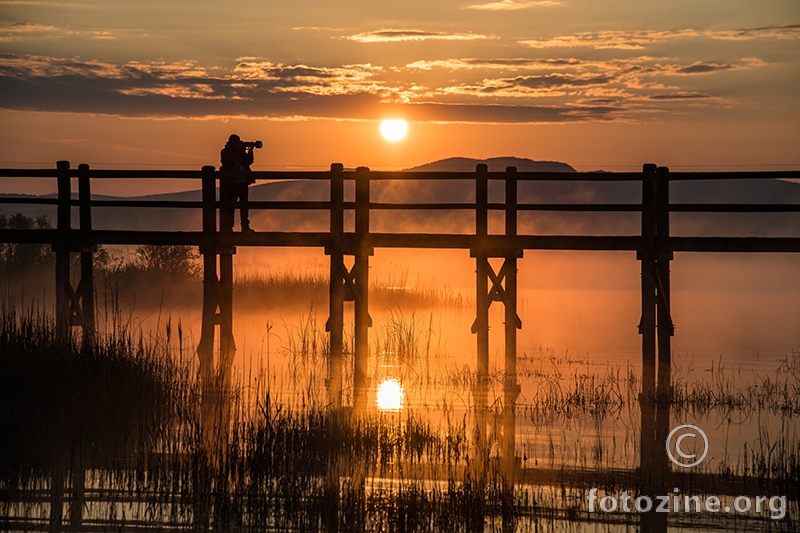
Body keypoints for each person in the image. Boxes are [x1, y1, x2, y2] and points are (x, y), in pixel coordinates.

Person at [219, 134, 255, 232]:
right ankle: (229, 227)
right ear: (231, 142)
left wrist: (250, 151)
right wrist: (237, 150)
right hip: (232, 183)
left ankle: (245, 226)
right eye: (236, 142)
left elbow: (248, 162)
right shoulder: (225, 152)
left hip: (243, 182)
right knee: (231, 207)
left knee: (244, 206)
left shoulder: (240, 152)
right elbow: (229, 160)